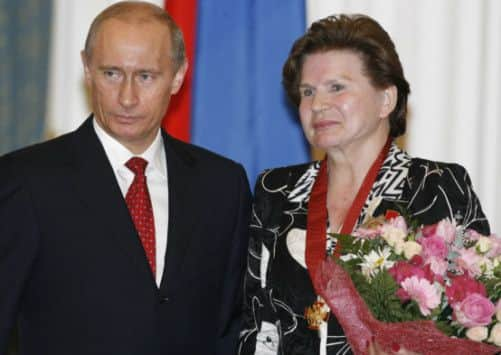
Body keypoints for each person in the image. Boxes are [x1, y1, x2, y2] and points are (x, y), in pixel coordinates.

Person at [0, 2, 251, 354]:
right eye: (112, 74)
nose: (127, 97)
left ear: (178, 76)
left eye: (145, 76)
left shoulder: (224, 185)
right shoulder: (25, 180)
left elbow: (230, 327)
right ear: (87, 68)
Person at [238, 14, 489, 355]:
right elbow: (258, 325)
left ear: (386, 99)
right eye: (307, 92)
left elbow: (476, 315)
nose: (318, 105)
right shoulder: (276, 190)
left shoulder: (437, 188)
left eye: (336, 88)